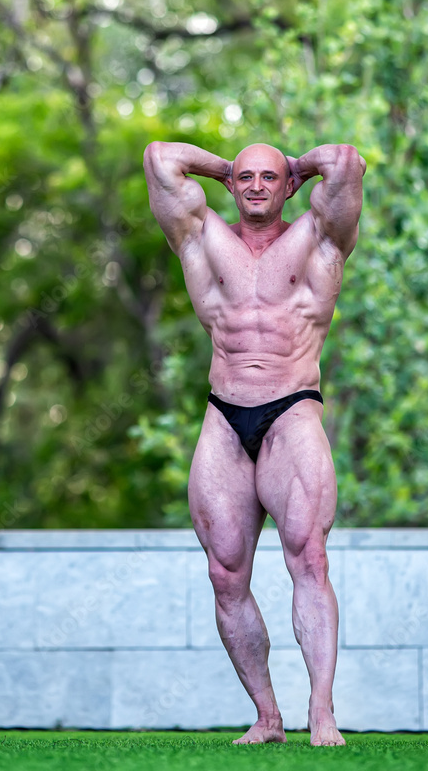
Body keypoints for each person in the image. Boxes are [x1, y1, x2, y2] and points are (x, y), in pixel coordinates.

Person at [143, 139, 366, 746]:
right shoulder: (200, 237)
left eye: (270, 178)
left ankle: (321, 713)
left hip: (292, 410)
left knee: (309, 560)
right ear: (231, 186)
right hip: (223, 415)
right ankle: (268, 716)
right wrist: (225, 170)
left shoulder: (320, 238)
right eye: (246, 178)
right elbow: (160, 157)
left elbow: (345, 160)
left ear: (289, 185)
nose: (257, 186)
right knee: (224, 573)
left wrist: (296, 169)